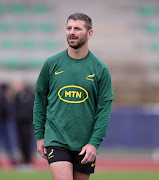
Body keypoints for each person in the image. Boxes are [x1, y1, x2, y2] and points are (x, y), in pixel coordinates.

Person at [33, 13, 114, 180]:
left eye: (77, 28)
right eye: (69, 28)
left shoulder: (100, 69)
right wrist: (40, 136)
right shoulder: (51, 64)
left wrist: (94, 143)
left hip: (84, 144)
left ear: (89, 33)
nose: (72, 32)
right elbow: (40, 102)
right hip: (56, 139)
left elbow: (104, 111)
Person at [13, 80, 35, 167]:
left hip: (27, 123)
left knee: (27, 141)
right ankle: (24, 160)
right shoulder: (18, 96)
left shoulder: (30, 95)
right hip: (19, 123)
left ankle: (28, 160)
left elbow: (31, 108)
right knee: (21, 142)